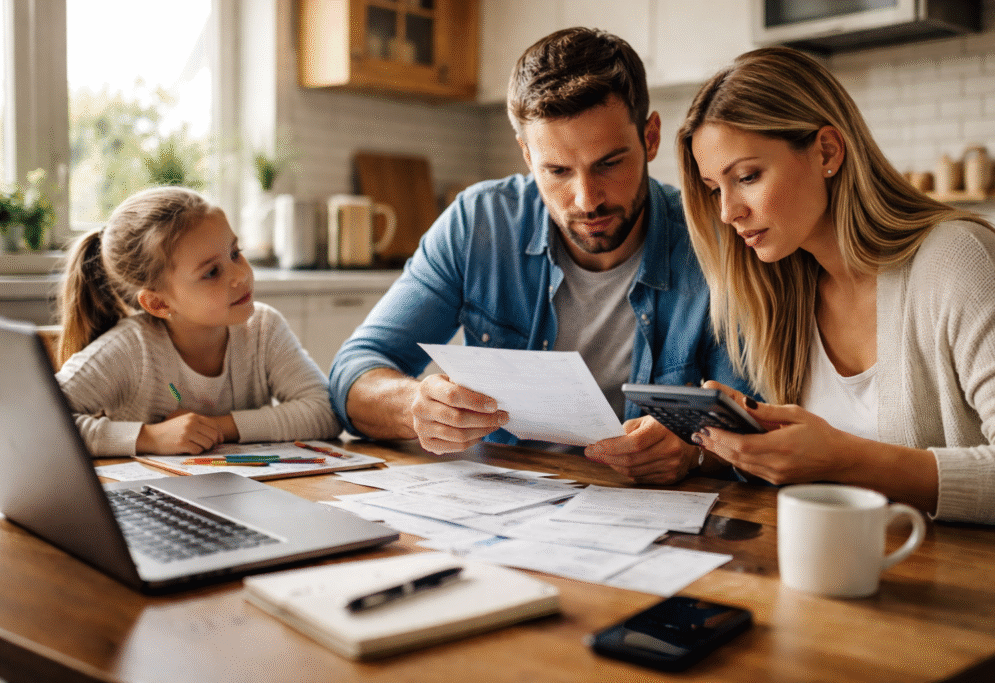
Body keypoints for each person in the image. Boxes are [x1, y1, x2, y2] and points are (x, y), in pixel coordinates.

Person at [330, 27, 752, 485]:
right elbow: (352, 374)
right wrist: (415, 406)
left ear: (650, 138)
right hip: (506, 504)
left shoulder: (716, 239)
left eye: (609, 163)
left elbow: (751, 419)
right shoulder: (479, 222)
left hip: (655, 513)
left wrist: (695, 455)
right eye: (557, 171)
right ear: (527, 156)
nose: (587, 199)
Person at [676, 46, 995, 525]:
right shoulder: (784, 290)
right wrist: (727, 444)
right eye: (717, 188)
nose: (727, 212)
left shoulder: (958, 258)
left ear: (827, 151)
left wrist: (843, 458)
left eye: (748, 177)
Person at [56, 186, 340, 456]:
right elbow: (35, 421)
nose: (240, 275)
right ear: (159, 303)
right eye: (212, 272)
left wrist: (216, 427)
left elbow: (325, 411)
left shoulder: (263, 329)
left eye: (234, 253)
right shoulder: (131, 348)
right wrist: (150, 438)